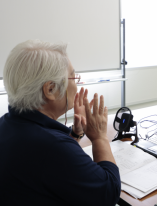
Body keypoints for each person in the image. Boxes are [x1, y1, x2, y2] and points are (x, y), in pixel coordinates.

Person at [0, 40, 121, 205]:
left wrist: (75, 134)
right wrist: (100, 137)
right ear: (50, 89)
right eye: (73, 76)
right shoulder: (51, 146)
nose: (76, 83)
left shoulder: (7, 124)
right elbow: (109, 194)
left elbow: (49, 167)